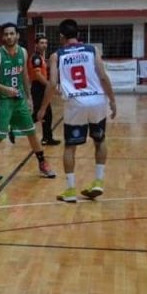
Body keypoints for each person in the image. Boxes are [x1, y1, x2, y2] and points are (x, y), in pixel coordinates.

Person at [38, 19, 116, 203]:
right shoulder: (92, 50)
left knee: (70, 147)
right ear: (78, 35)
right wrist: (112, 100)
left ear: (61, 37)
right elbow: (103, 77)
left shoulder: (57, 55)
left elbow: (52, 83)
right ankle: (98, 181)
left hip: (75, 103)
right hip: (97, 101)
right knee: (100, 140)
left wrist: (42, 108)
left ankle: (71, 189)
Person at [0, 23, 56, 182]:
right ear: (2, 37)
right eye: (6, 34)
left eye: (12, 34)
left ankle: (42, 163)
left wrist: (29, 98)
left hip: (19, 100)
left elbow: (25, 75)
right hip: (3, 100)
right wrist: (4, 89)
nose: (9, 37)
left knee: (31, 131)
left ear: (17, 36)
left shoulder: (23, 52)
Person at [29, 35, 60, 146]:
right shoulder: (36, 58)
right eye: (41, 43)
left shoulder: (41, 57)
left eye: (45, 43)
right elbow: (37, 75)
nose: (44, 45)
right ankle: (14, 128)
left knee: (48, 114)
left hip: (42, 87)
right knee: (38, 114)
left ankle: (47, 138)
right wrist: (49, 86)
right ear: (36, 45)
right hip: (38, 87)